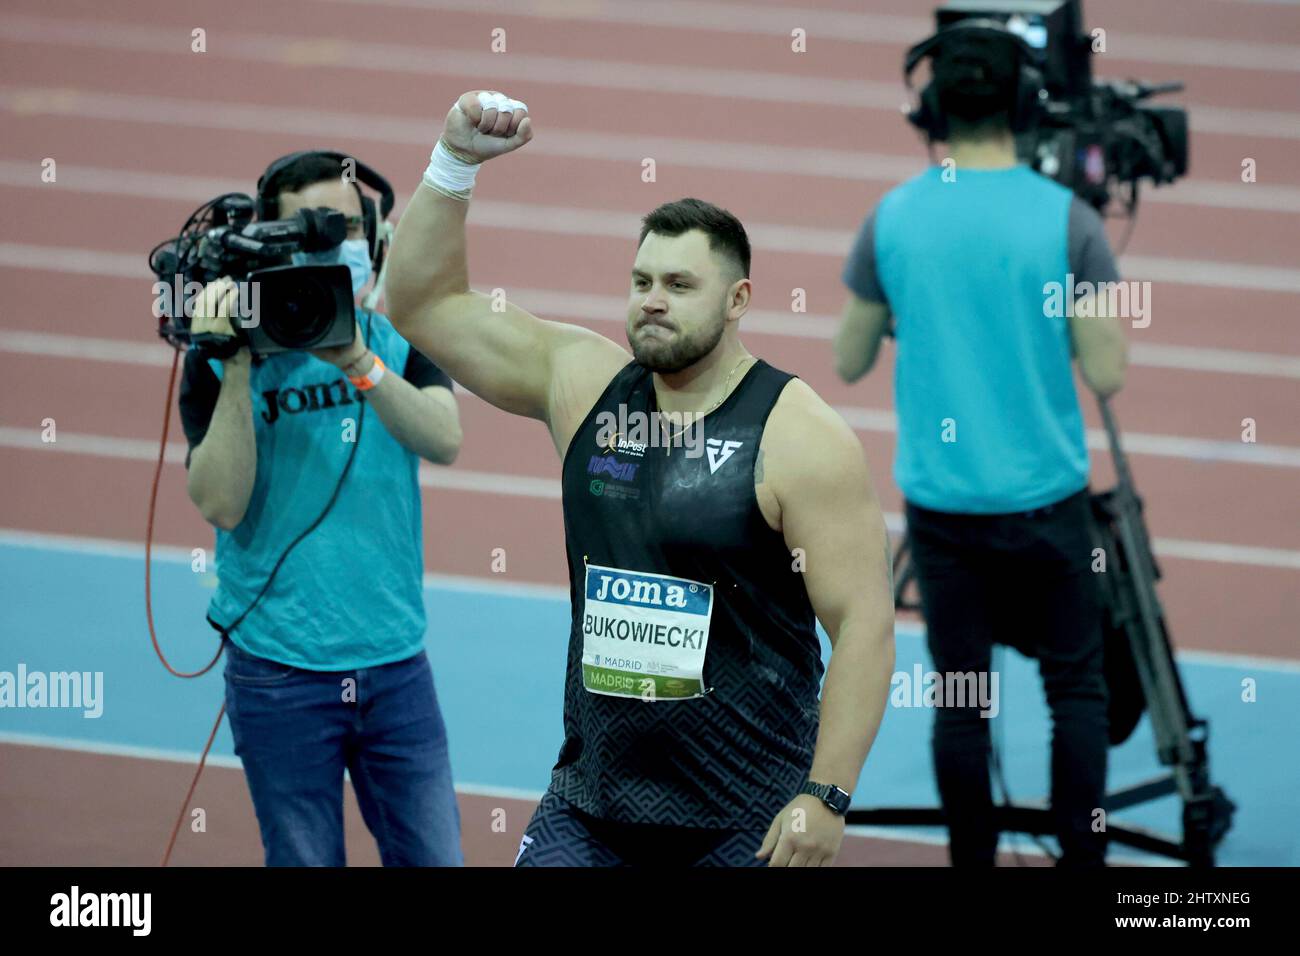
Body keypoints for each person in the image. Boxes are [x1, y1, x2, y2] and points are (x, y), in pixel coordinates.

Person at [384, 90, 896, 867]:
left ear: (738, 301)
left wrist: (825, 797)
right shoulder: (584, 386)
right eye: (642, 281)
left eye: (680, 286)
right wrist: (453, 164)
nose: (653, 301)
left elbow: (864, 625)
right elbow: (422, 305)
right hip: (593, 804)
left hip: (744, 814)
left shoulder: (797, 436)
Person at [834, 23, 1128, 867]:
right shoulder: (1067, 219)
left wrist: (912, 312)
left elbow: (847, 360)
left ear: (931, 110)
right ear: (1027, 104)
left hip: (944, 509)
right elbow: (1106, 369)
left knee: (962, 702)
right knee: (1076, 689)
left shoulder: (893, 217)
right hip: (1047, 501)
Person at [179, 151, 465, 866]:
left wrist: (356, 361)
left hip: (396, 662)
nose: (330, 246)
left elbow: (444, 437)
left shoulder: (396, 336)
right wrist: (241, 360)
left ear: (371, 237)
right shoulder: (220, 356)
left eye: (340, 228)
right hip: (279, 670)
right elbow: (220, 502)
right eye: (308, 232)